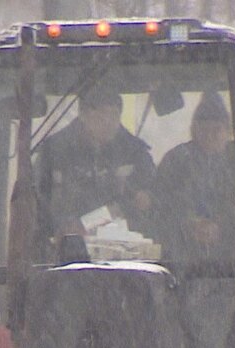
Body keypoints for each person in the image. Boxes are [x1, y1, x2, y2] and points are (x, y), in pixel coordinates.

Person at [36, 85, 156, 251]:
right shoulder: (54, 152)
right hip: (60, 251)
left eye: (114, 115)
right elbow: (37, 204)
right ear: (83, 115)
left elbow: (147, 201)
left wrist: (89, 222)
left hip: (124, 252)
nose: (108, 122)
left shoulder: (135, 153)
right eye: (100, 115)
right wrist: (62, 229)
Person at [153, 91, 235, 268]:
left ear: (228, 131)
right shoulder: (176, 161)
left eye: (216, 130)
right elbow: (160, 204)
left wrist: (221, 226)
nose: (209, 136)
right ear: (193, 130)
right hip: (180, 258)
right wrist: (189, 223)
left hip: (234, 261)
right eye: (203, 130)